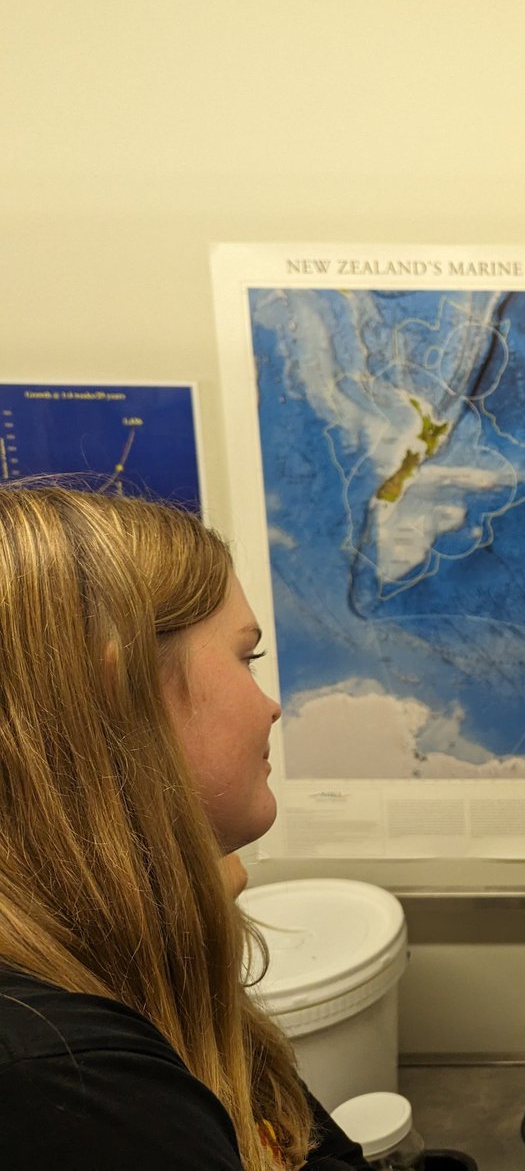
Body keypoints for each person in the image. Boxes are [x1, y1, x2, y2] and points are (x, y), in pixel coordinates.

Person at [0, 485, 370, 1170]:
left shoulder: (101, 975)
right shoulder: (69, 1085)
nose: (270, 707)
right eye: (244, 658)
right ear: (123, 691)